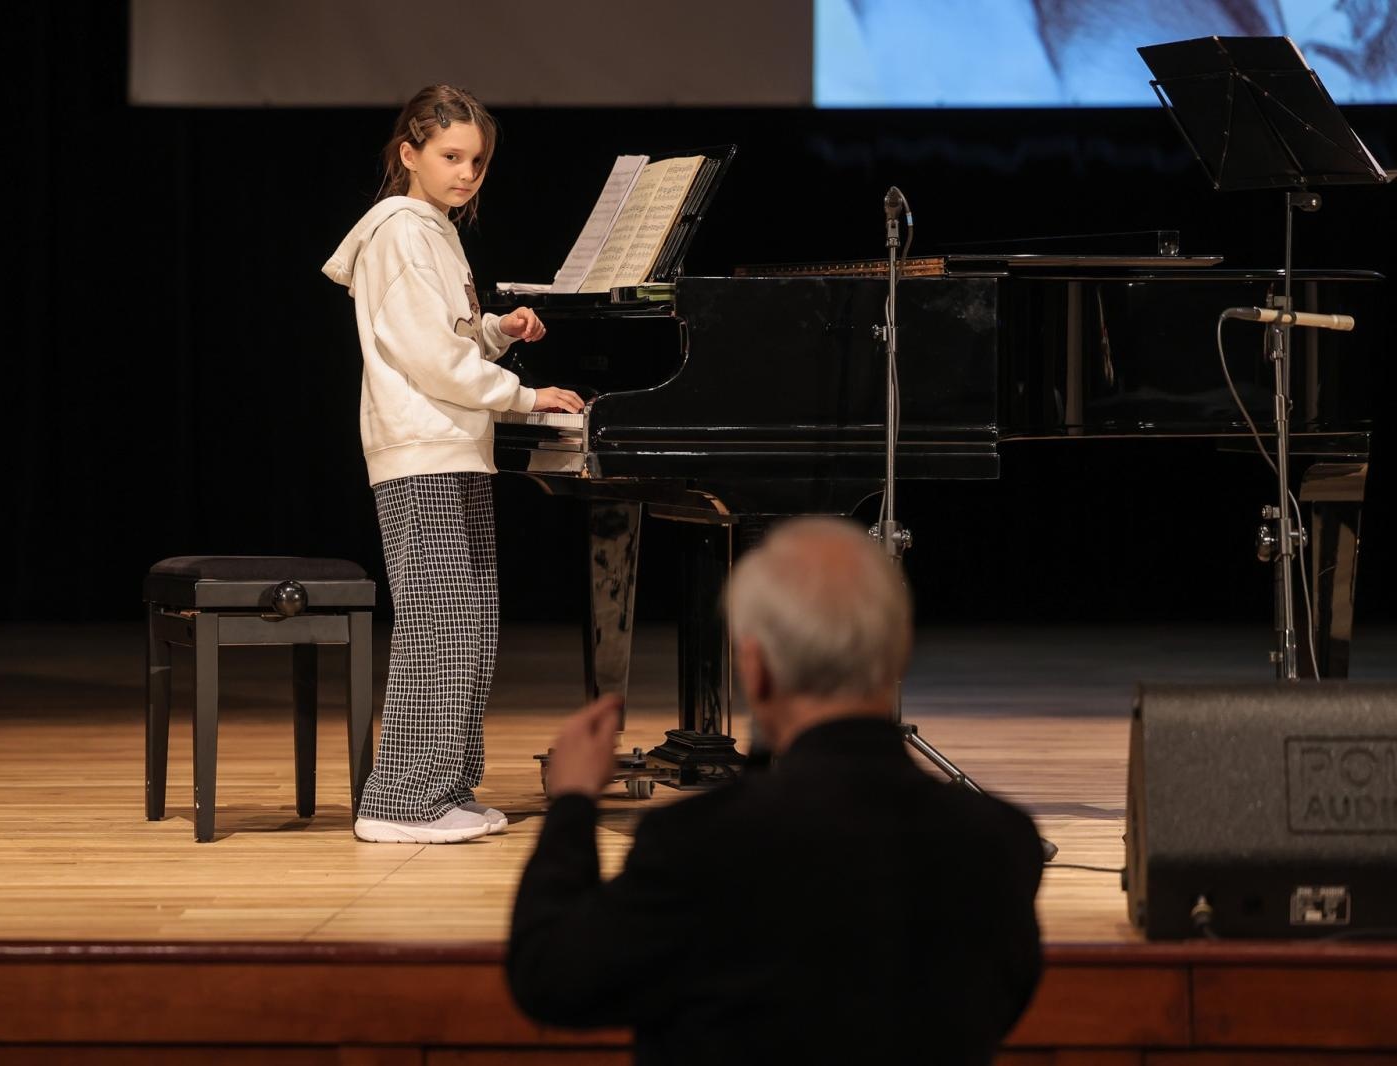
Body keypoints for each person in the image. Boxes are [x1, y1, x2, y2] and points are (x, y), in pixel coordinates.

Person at [508, 517, 1045, 1064]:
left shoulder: (698, 843)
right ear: (899, 652)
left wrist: (574, 804)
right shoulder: (1000, 844)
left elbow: (551, 979)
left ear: (755, 668)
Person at [322, 85, 584, 844]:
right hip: (421, 449)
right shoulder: (400, 230)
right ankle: (398, 801)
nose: (467, 172)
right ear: (409, 154)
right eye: (451, 157)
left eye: (477, 161)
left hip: (451, 445)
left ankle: (442, 786)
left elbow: (447, 337)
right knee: (438, 623)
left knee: (467, 621)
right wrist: (526, 398)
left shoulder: (434, 231)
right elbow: (428, 357)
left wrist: (495, 331)